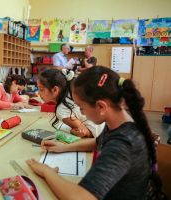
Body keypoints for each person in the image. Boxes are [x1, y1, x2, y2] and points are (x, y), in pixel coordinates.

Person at [27, 66, 157, 199]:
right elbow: (97, 142)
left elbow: (82, 197)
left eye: (82, 108)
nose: (82, 114)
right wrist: (64, 147)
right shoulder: (118, 122)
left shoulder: (122, 145)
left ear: (101, 107)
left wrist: (47, 172)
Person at [37, 68, 103, 138]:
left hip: (100, 137)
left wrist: (72, 131)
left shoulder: (61, 109)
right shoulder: (72, 93)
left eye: (41, 89)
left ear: (55, 90)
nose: (38, 93)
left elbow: (84, 132)